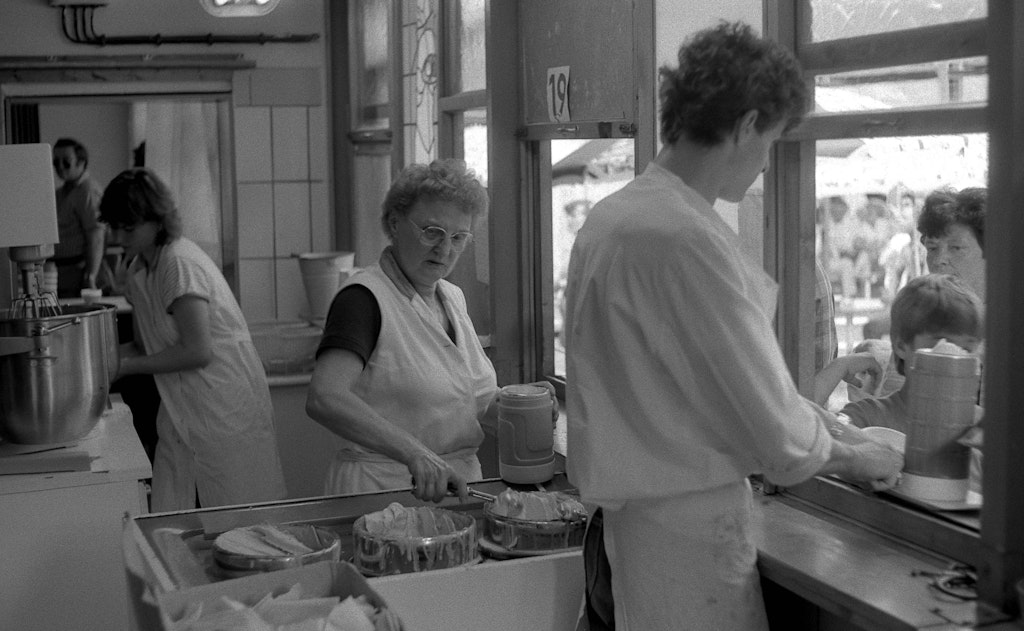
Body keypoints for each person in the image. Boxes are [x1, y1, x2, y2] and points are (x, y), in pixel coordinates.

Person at [564, 22, 903, 630]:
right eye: (771, 140)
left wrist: (832, 427)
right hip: (691, 540)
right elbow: (775, 432)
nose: (767, 160)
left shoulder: (613, 219)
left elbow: (713, 386)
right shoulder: (687, 240)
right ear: (747, 125)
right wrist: (864, 460)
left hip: (634, 530)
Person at [305, 159, 556, 503]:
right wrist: (416, 453)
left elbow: (473, 404)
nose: (445, 248)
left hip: (459, 490)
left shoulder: (452, 298)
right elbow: (325, 396)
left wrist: (522, 405)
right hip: (382, 491)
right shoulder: (364, 299)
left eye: (458, 237)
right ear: (394, 224)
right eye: (432, 232)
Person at [99, 168, 287, 512]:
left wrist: (122, 367)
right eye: (113, 227)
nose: (118, 237)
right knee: (176, 514)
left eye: (128, 228)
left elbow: (197, 350)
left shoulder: (179, 263)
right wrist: (94, 363)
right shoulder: (140, 271)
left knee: (243, 517)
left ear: (157, 220)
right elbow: (145, 345)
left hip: (225, 408)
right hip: (182, 407)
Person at [836, 274, 984, 493]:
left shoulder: (985, 430)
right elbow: (821, 438)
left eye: (967, 350)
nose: (957, 357)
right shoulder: (868, 417)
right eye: (943, 345)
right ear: (902, 346)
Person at [49, 138, 106, 298]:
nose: (59, 167)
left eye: (66, 162)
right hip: (60, 273)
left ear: (81, 162)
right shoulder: (61, 193)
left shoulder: (87, 191)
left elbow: (96, 237)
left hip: (78, 272)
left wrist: (91, 275)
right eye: (56, 162)